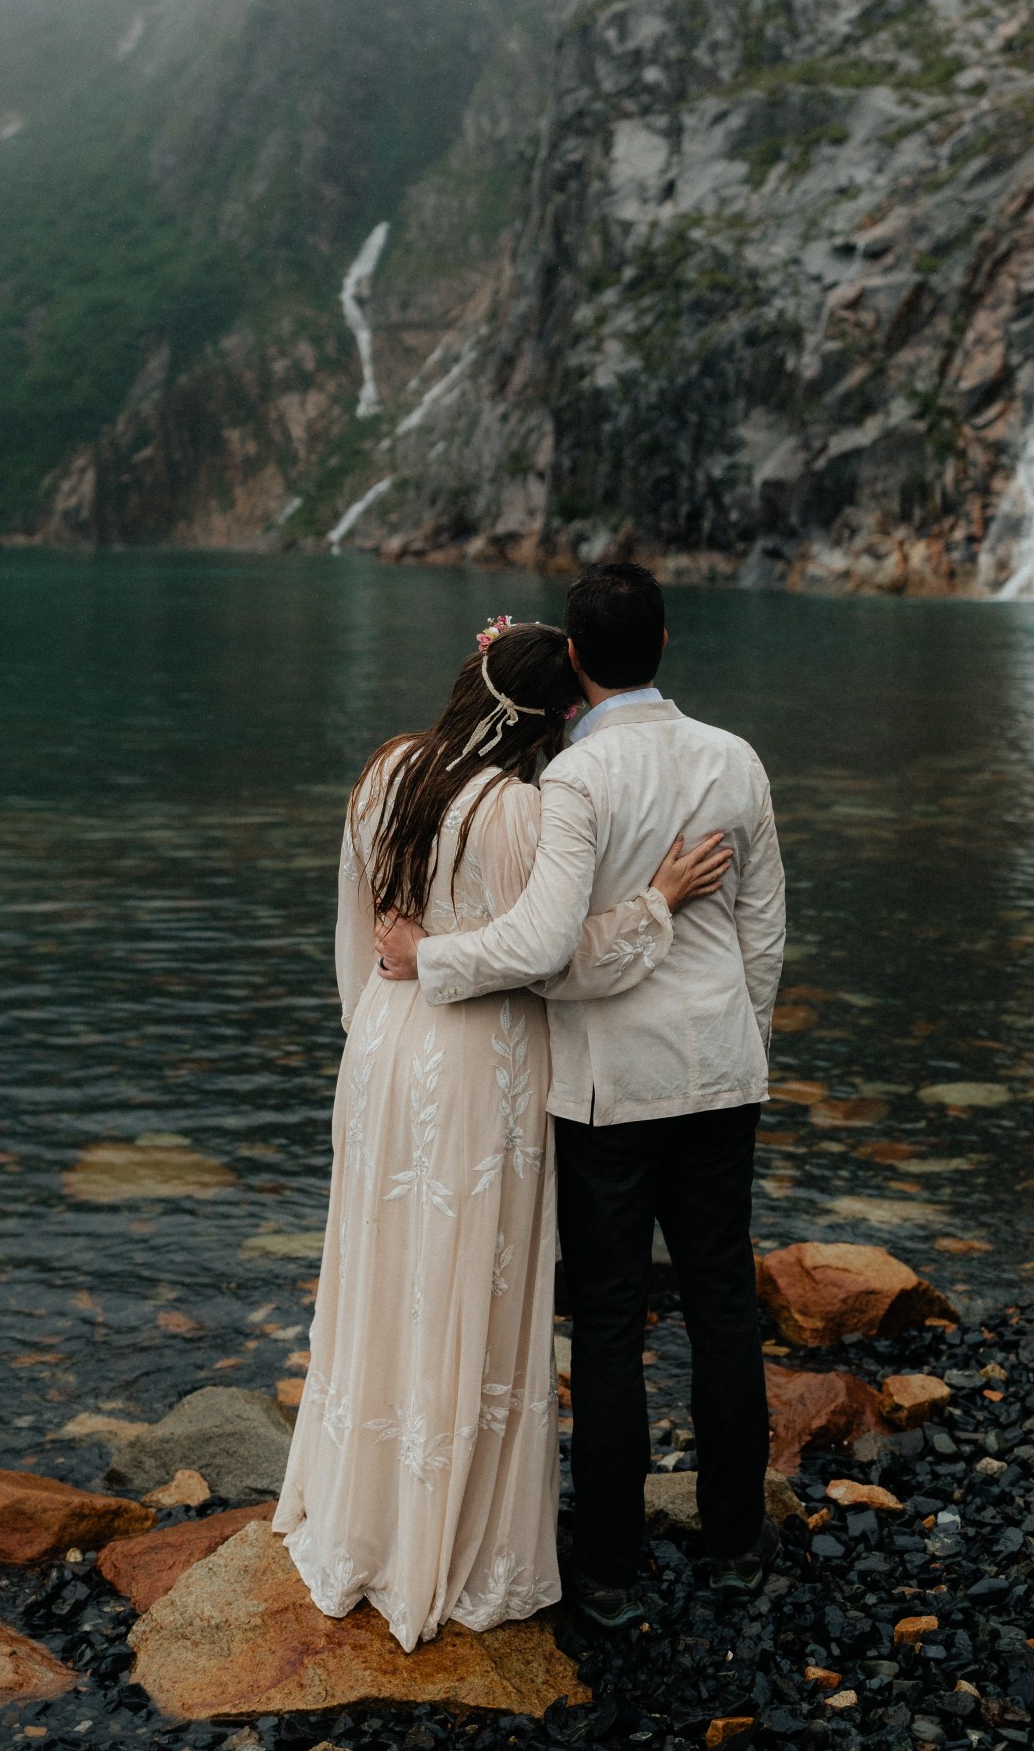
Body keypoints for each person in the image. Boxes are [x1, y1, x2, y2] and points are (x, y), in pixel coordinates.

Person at [274, 616, 729, 1651]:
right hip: (483, 1060)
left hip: (383, 1045)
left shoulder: (385, 772)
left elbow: (354, 931)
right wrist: (657, 904)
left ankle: (359, 1514)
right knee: (468, 1280)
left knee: (383, 1271)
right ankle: (450, 1535)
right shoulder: (522, 809)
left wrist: (371, 1027)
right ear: (552, 718)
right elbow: (554, 960)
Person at [378, 562, 786, 1624]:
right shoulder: (735, 758)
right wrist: (744, 1044)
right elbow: (763, 930)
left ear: (573, 657)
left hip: (611, 1089)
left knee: (607, 1323)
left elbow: (545, 948)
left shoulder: (575, 780)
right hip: (721, 1074)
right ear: (667, 641)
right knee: (723, 1305)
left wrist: (430, 958)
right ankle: (735, 1540)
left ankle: (608, 1566)